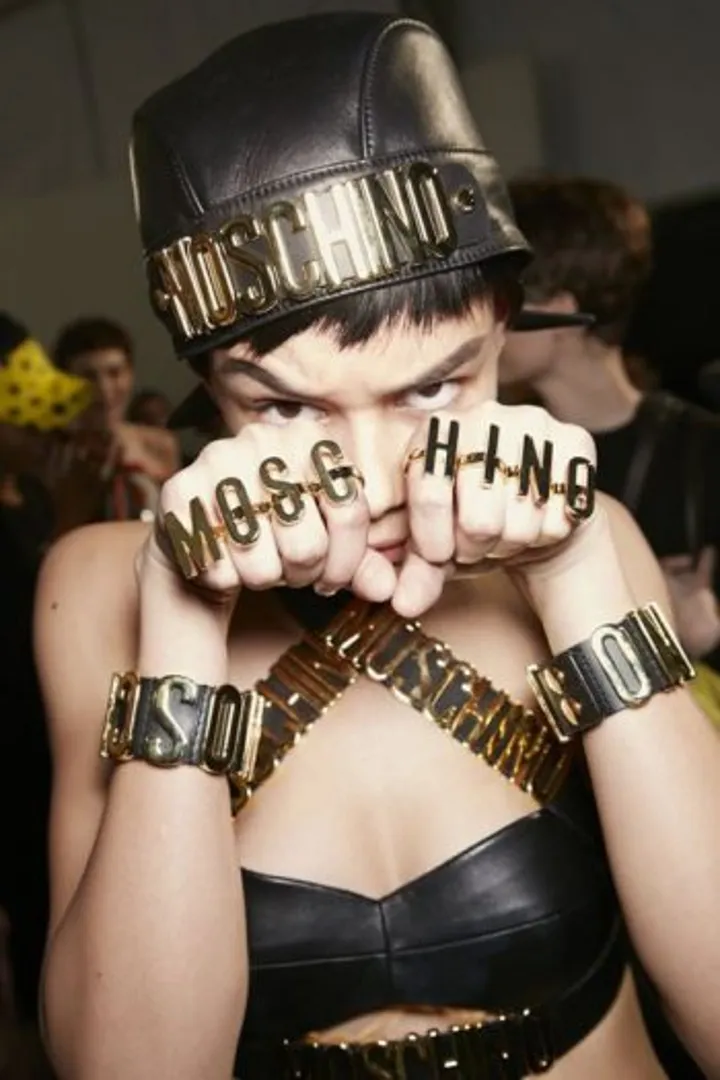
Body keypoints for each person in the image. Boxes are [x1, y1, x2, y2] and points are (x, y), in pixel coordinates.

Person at [35, 14, 720, 1080]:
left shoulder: (590, 542)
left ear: (502, 329)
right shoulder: (99, 585)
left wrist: (578, 576)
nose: (377, 476)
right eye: (286, 407)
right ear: (211, 383)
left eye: (434, 386)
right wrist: (181, 629)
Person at [500, 176, 720, 668]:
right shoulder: (503, 458)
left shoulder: (705, 455)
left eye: (502, 301)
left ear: (559, 312)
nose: (485, 323)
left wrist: (706, 638)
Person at [53, 317, 180, 518]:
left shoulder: (160, 445)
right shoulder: (53, 452)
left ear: (130, 374)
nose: (104, 389)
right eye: (88, 376)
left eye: (115, 373)